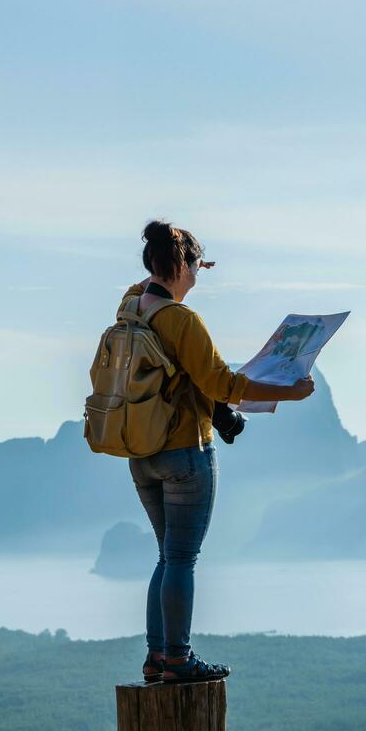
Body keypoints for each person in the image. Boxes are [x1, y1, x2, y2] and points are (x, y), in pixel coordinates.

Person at [124, 219, 315, 684]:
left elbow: (148, 283)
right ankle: (178, 658)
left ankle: (156, 656)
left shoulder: (131, 307)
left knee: (166, 556)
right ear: (181, 266)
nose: (198, 276)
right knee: (182, 559)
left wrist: (181, 258)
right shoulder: (182, 321)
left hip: (141, 452)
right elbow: (222, 385)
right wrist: (291, 391)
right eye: (196, 267)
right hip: (185, 452)